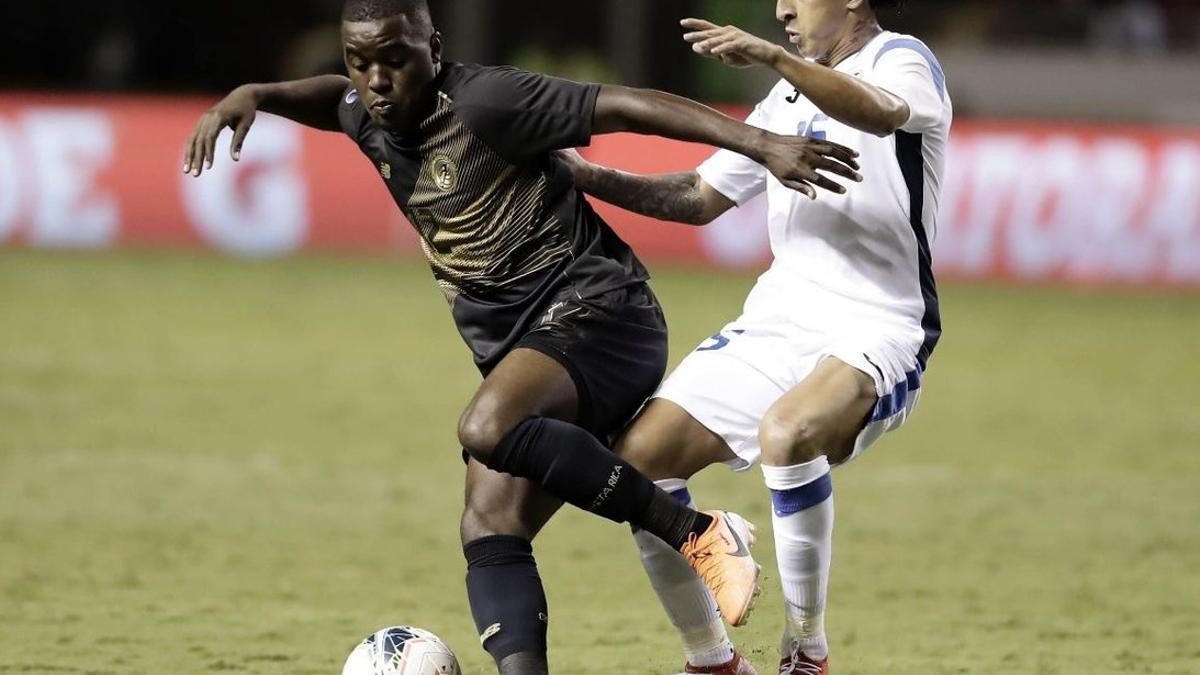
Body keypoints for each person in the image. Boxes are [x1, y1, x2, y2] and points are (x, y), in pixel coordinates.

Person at [181, 1, 862, 673]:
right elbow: (333, 98)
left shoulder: (488, 102)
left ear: (435, 51)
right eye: (362, 63)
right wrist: (256, 94)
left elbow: (627, 104)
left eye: (396, 60)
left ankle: (698, 533)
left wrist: (760, 142)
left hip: (603, 316)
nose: (378, 81)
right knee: (489, 522)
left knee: (485, 425)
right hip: (538, 350)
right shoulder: (366, 111)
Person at [562, 0, 951, 673]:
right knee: (639, 460)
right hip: (777, 321)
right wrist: (583, 177)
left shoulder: (903, 60)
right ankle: (712, 661)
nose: (782, 8)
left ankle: (807, 649)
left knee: (787, 433)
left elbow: (880, 113)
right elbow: (698, 196)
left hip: (877, 323)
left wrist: (775, 58)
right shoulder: (788, 91)